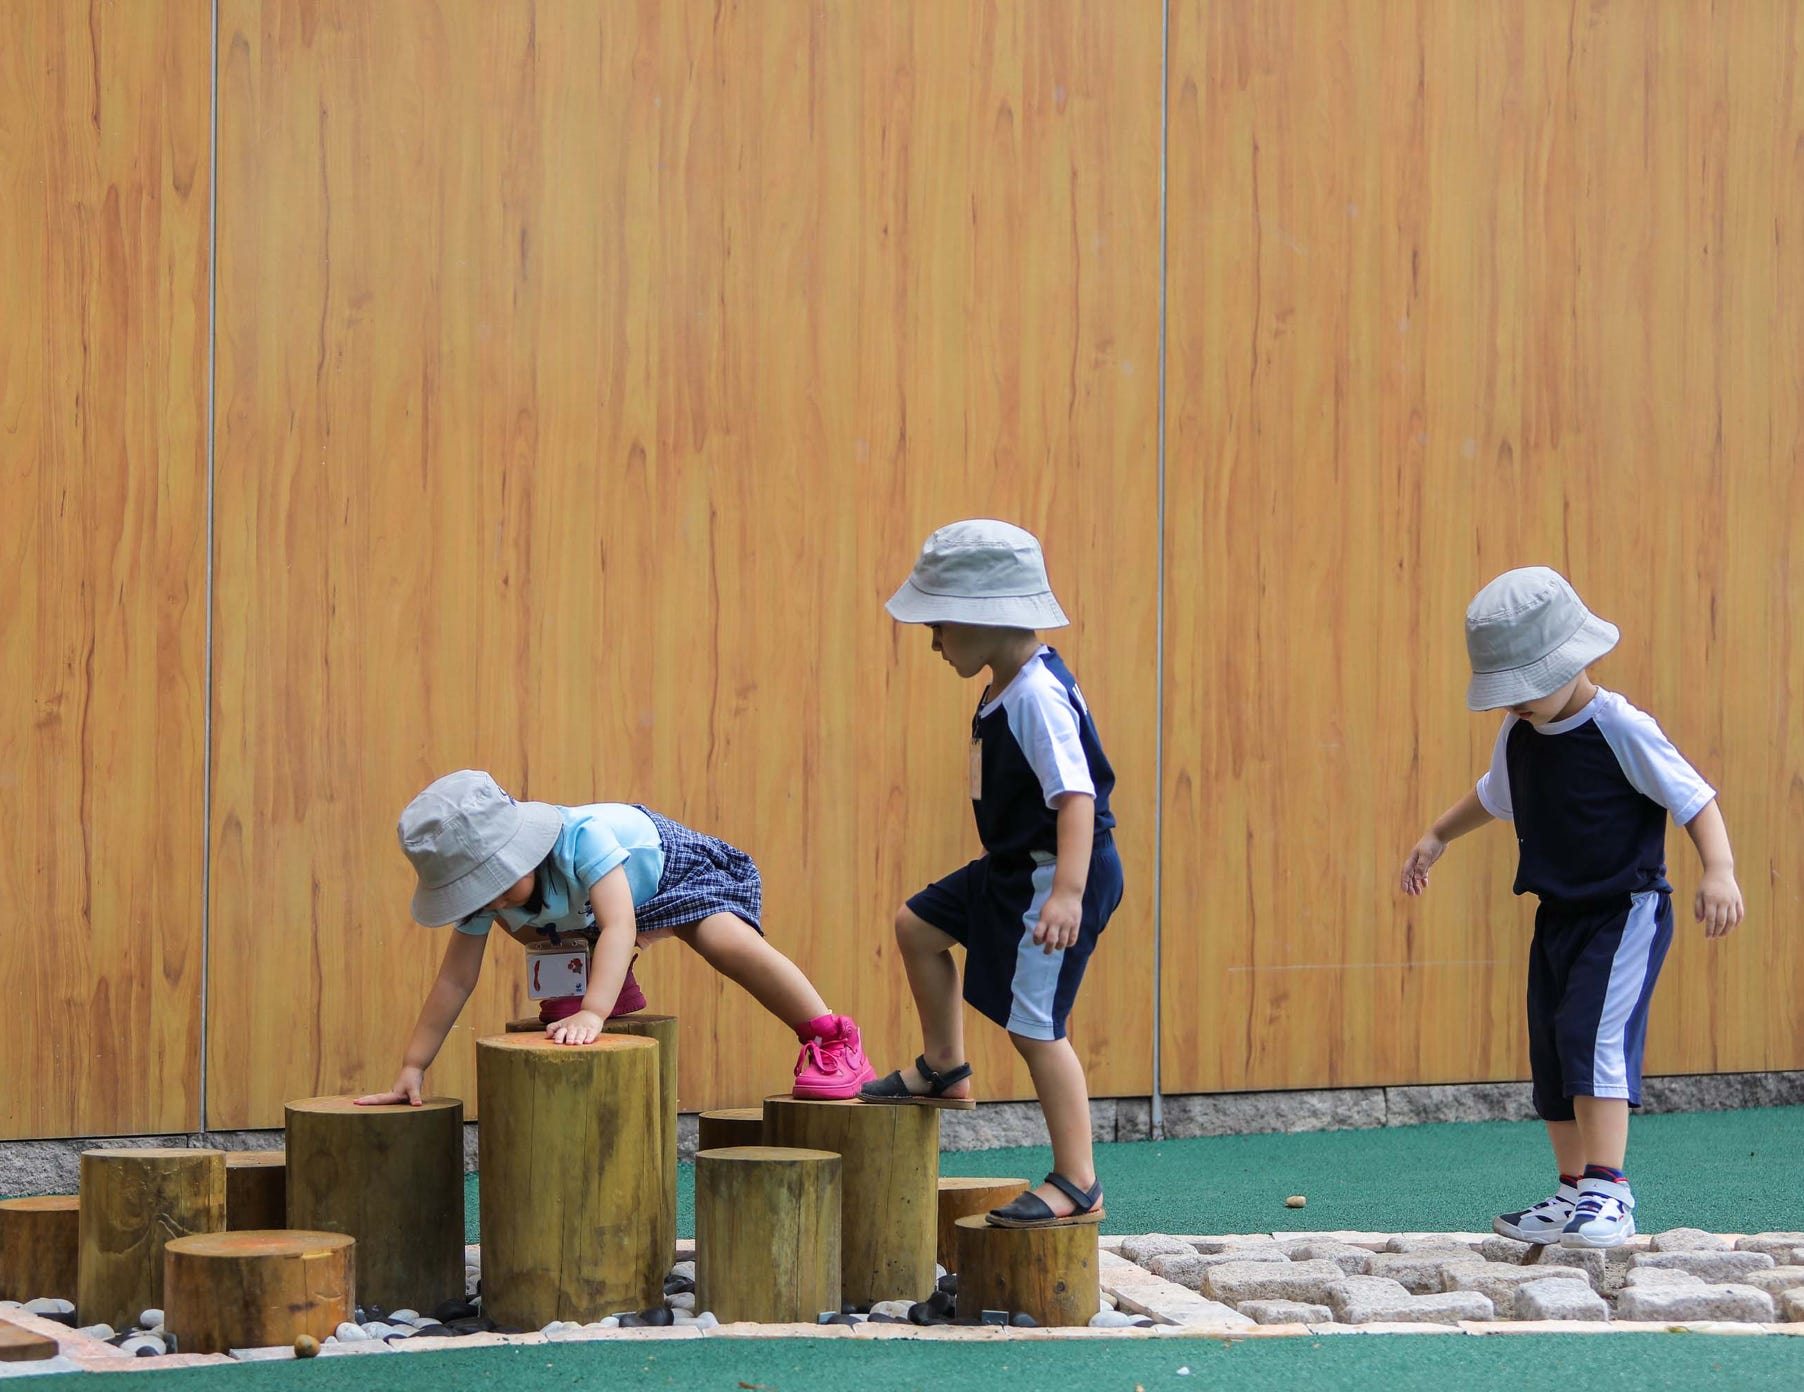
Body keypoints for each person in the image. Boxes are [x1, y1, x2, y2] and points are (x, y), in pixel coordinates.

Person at [1401, 567, 1743, 1247]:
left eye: (1529, 687)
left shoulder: (1619, 725)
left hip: (1624, 913)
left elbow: (1693, 797)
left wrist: (1720, 870)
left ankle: (1610, 1189)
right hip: (1557, 914)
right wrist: (1437, 834)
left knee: (1595, 1037)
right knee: (1554, 1051)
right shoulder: (1519, 734)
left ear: (1576, 661)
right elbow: (1493, 795)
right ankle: (1570, 1191)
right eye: (1509, 693)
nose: (1518, 703)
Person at [862, 520, 1124, 1228]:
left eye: (940, 623)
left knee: (1037, 1028)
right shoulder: (1008, 682)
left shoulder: (1036, 696)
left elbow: (1078, 798)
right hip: (1013, 866)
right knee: (918, 925)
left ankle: (1077, 1181)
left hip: (1053, 874)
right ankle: (945, 1065)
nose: (933, 639)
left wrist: (1066, 894)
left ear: (985, 617)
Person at [357, 771, 874, 1105]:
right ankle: (599, 978)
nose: (488, 899)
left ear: (522, 847)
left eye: (494, 880)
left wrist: (593, 1011)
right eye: (472, 891)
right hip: (593, 918)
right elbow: (455, 978)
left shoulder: (581, 838)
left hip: (675, 877)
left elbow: (621, 923)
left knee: (722, 940)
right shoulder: (493, 900)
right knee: (516, 917)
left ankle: (831, 1036)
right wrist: (413, 1064)